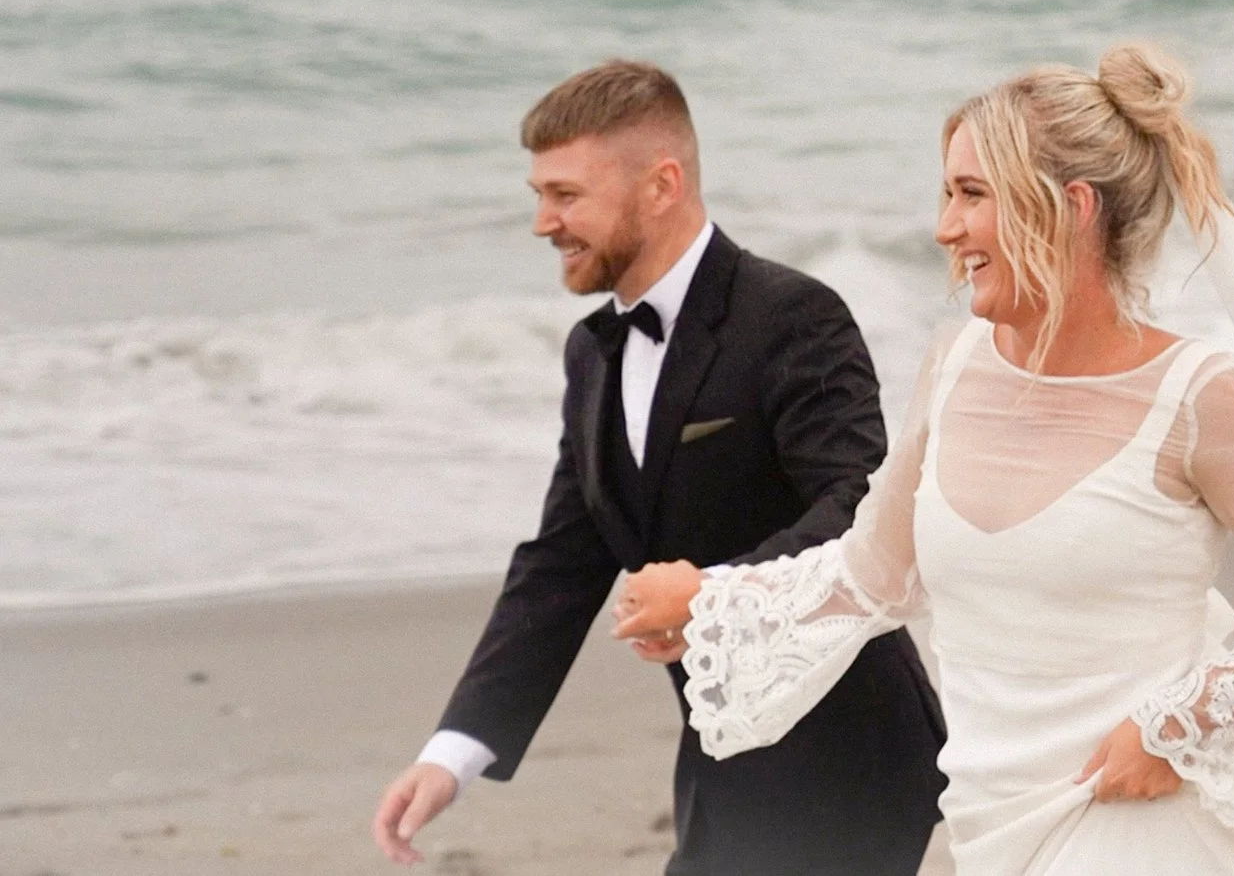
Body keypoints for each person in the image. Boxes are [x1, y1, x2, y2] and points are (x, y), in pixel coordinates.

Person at [613, 44, 1234, 875]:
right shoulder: (955, 368)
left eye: (972, 194)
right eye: (947, 193)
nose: (946, 227)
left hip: (1144, 812)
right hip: (992, 818)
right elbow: (874, 573)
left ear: (1072, 205)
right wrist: (710, 598)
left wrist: (1178, 727)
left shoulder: (1205, 395)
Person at [370, 60, 946, 874]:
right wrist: (455, 750)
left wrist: (711, 595)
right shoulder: (594, 352)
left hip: (846, 756)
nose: (543, 221)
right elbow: (562, 561)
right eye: (539, 194)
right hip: (719, 761)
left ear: (661, 184)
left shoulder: (793, 315)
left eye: (566, 195)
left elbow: (859, 508)